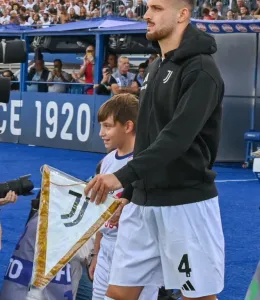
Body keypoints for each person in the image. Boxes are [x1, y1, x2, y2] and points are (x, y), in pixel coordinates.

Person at [84, 0, 225, 299]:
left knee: (198, 296)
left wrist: (122, 177)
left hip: (185, 204)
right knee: (119, 294)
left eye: (157, 8)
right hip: (144, 204)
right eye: (148, 7)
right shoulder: (155, 66)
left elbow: (177, 138)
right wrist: (132, 193)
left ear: (183, 14)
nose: (146, 15)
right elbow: (147, 136)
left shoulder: (202, 70)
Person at [88, 94, 158, 300]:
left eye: (107, 126)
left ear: (128, 126)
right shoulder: (108, 161)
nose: (101, 133)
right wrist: (96, 253)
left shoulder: (146, 163)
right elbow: (100, 210)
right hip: (108, 250)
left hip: (136, 252)